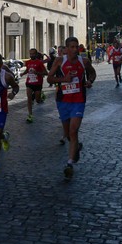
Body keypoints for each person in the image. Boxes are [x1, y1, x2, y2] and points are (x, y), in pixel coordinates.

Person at [47, 36, 96, 179]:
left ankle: (69, 164)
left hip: (79, 100)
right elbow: (49, 78)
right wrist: (63, 79)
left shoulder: (84, 61)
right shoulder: (59, 61)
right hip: (63, 101)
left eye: (77, 47)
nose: (75, 50)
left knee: (73, 131)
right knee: (68, 133)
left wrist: (89, 81)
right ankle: (76, 149)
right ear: (67, 48)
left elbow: (92, 73)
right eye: (72, 47)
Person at [23, 48, 48, 123]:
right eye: (30, 54)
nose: (31, 55)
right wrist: (23, 73)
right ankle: (30, 115)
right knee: (29, 98)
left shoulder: (39, 63)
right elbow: (27, 70)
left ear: (36, 54)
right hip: (29, 83)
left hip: (38, 83)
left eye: (33, 54)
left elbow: (46, 73)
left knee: (37, 100)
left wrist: (37, 73)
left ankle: (41, 96)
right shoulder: (28, 62)